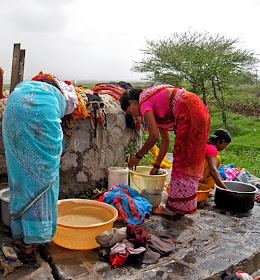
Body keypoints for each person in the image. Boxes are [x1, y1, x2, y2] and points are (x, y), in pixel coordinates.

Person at [120, 85, 210, 216]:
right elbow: (165, 140)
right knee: (188, 158)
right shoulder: (154, 104)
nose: (133, 116)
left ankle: (174, 209)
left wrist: (137, 157)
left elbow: (153, 137)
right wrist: (156, 165)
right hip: (197, 107)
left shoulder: (144, 103)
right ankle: (182, 205)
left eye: (130, 112)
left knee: (182, 158)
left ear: (132, 102)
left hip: (188, 109)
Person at [2, 78, 66, 254]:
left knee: (21, 176)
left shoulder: (23, 89)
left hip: (12, 120)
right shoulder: (54, 95)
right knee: (43, 180)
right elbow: (54, 126)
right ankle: (33, 241)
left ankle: (21, 236)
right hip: (35, 123)